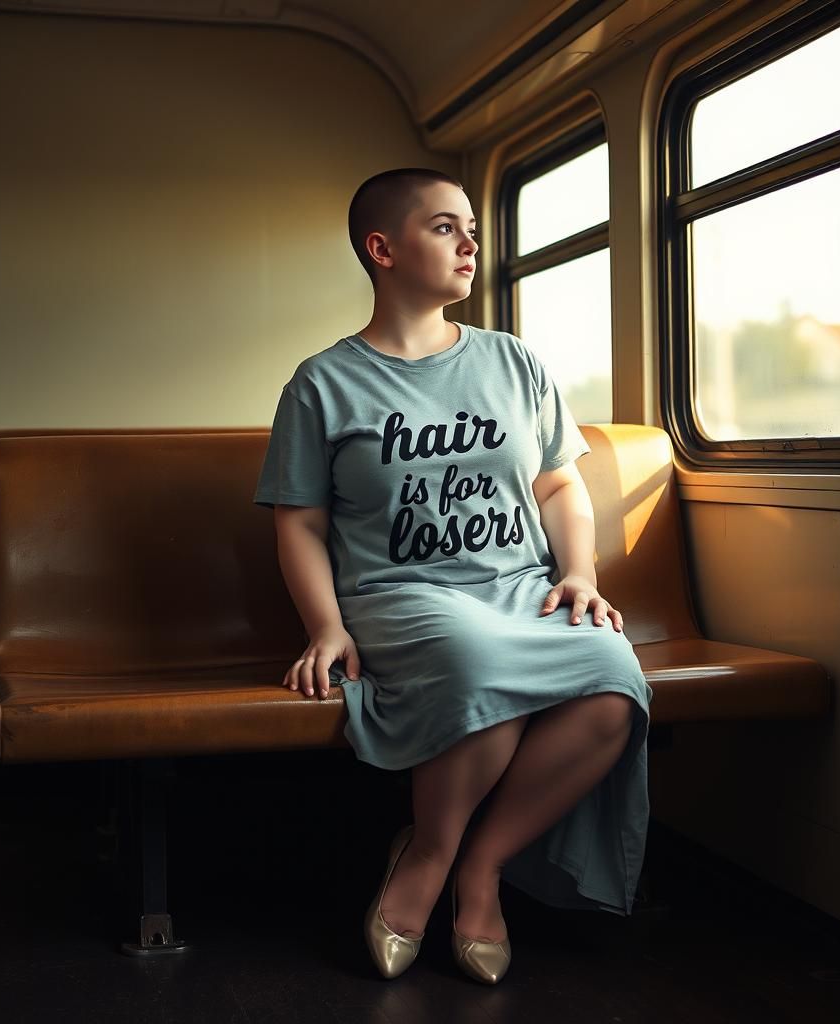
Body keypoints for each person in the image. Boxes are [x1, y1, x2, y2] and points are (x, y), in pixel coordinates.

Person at [252, 167, 653, 984]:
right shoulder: (323, 384)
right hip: (400, 597)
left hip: (518, 588)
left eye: (472, 225)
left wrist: (578, 571)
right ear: (382, 248)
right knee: (476, 660)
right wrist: (325, 626)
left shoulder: (514, 363)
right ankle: (427, 857)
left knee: (615, 679)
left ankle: (481, 864)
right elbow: (300, 522)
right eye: (444, 227)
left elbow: (558, 483)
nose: (472, 242)